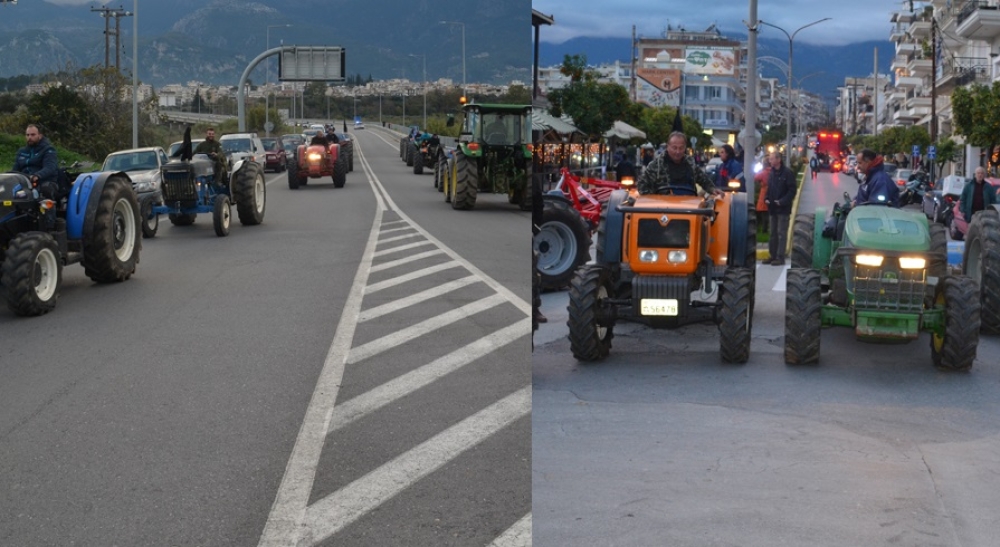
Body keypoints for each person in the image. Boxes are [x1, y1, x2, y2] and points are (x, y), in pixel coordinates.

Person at [636, 131, 723, 197]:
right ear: (668, 147)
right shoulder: (656, 165)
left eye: (681, 148)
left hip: (689, 207)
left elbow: (704, 179)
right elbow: (641, 185)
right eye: (674, 148)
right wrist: (654, 201)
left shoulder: (690, 163)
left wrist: (712, 189)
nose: (678, 151)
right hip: (663, 209)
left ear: (685, 148)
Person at [764, 152, 796, 265]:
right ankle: (772, 255)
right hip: (772, 208)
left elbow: (792, 190)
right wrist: (767, 198)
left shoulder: (787, 173)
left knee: (781, 233)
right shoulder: (772, 173)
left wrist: (782, 201)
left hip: (783, 209)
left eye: (772, 159)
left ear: (778, 160)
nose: (770, 161)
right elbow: (770, 188)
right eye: (770, 159)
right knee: (772, 233)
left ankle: (780, 257)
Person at [13, 123, 61, 199]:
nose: (30, 137)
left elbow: (50, 167)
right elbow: (15, 169)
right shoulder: (21, 151)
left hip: (44, 182)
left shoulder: (48, 150)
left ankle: (49, 210)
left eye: (33, 135)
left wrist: (37, 176)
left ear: (40, 135)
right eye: (27, 135)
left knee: (46, 189)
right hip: (25, 183)